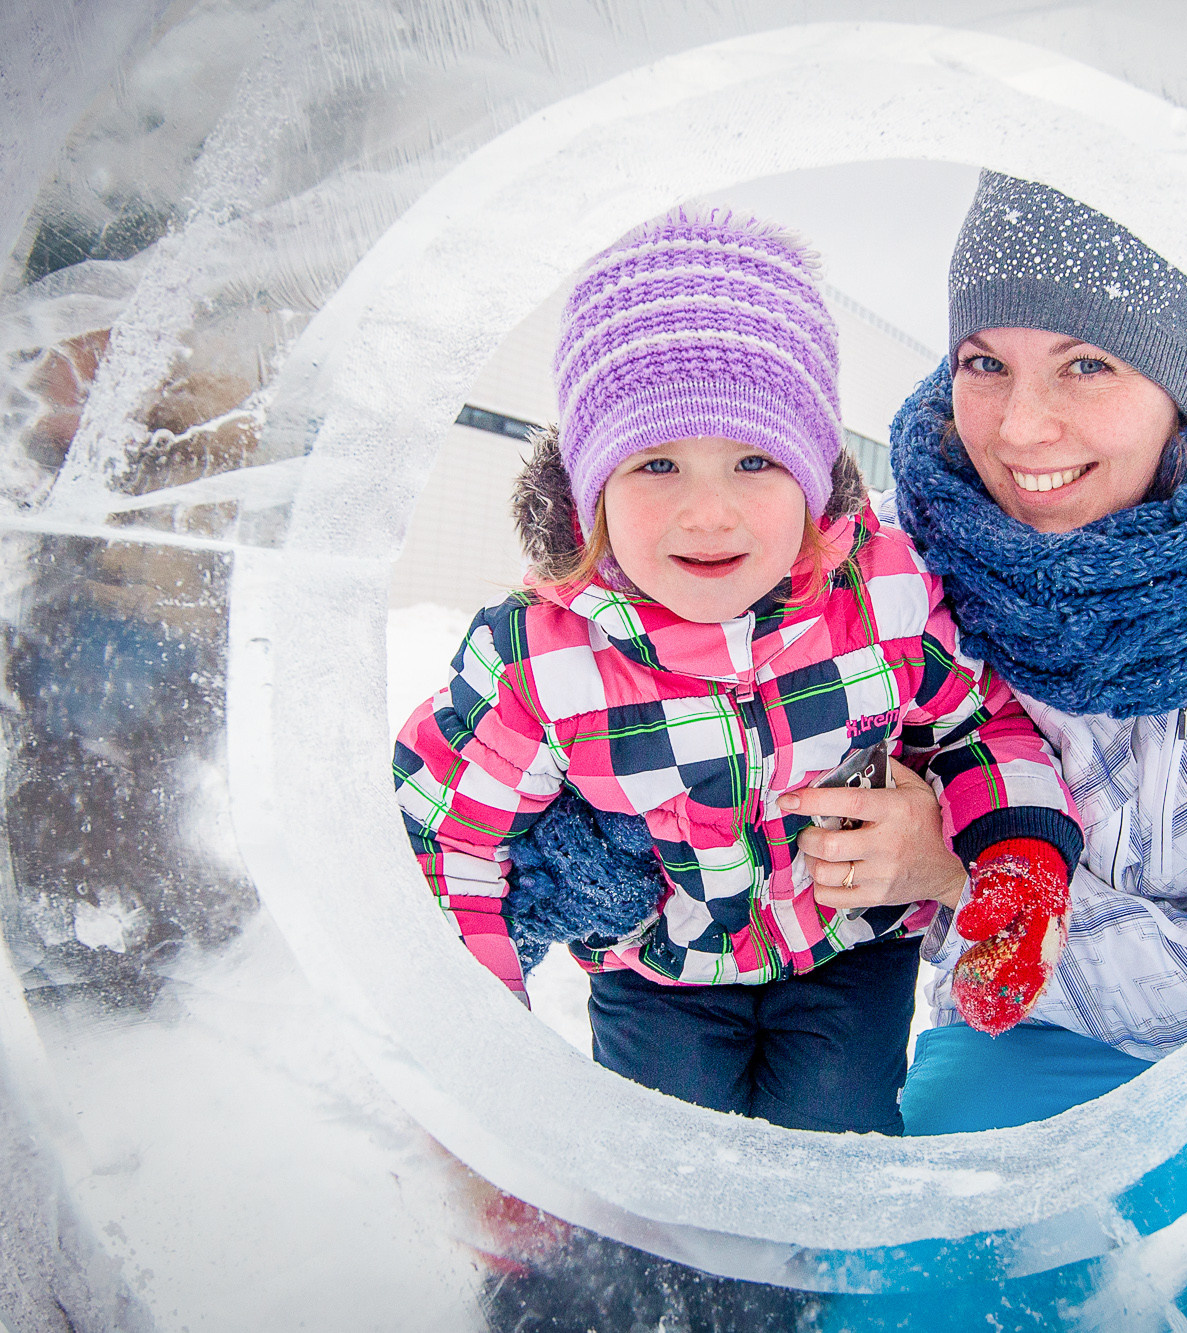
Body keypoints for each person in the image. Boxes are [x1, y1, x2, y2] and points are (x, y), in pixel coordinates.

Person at [391, 209, 1083, 1135]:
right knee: (672, 1170)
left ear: (810, 474)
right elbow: (449, 838)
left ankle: (819, 1276)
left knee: (833, 1143)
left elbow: (977, 725)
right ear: (589, 486)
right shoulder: (542, 658)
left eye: (755, 459)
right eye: (658, 463)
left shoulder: (879, 595)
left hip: (849, 949)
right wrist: (480, 1064)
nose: (709, 513)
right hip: (660, 973)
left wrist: (1016, 856)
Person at [780, 172, 1187, 1133]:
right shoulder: (898, 576)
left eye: (1088, 364)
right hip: (1012, 1021)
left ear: (1185, 386)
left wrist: (964, 876)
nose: (1019, 427)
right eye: (984, 362)